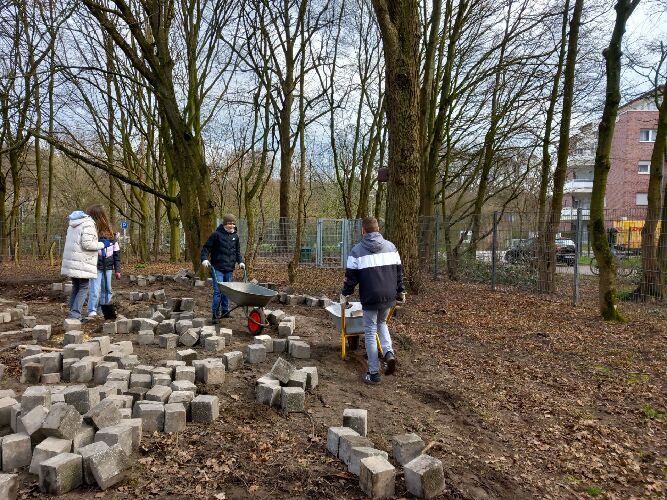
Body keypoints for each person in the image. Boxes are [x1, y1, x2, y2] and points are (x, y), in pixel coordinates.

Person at [340, 216, 405, 385]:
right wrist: (401, 290)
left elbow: (350, 278)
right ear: (378, 229)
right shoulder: (391, 247)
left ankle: (374, 373)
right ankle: (389, 353)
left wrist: (345, 294)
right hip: (388, 296)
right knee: (382, 324)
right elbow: (399, 272)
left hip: (370, 297)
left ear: (363, 231)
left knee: (369, 330)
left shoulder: (357, 250)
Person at [61, 210, 106, 320]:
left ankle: (72, 312)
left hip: (72, 261)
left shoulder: (73, 224)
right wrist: (102, 244)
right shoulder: (88, 224)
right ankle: (75, 314)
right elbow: (87, 244)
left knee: (76, 286)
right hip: (82, 262)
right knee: (83, 287)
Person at [200, 213, 245, 323]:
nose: (232, 226)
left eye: (233, 224)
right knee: (218, 292)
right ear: (224, 224)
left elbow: (237, 252)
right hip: (218, 268)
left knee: (227, 291)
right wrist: (204, 259)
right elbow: (206, 248)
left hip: (229, 269)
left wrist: (241, 262)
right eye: (229, 223)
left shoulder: (235, 236)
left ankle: (225, 311)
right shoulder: (216, 235)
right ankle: (215, 315)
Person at [86, 204, 121, 318]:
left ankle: (104, 310)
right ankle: (92, 310)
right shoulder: (92, 232)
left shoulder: (111, 234)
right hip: (96, 266)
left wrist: (118, 269)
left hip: (109, 267)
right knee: (95, 290)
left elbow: (116, 253)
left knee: (107, 289)